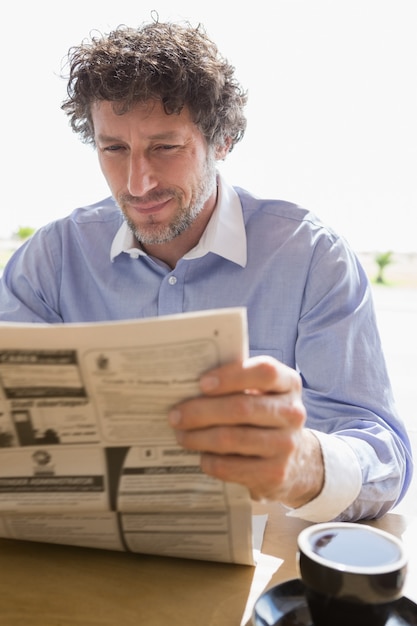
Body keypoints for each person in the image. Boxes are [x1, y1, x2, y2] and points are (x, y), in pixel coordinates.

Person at [0, 18, 412, 522]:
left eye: (165, 147)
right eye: (113, 149)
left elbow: (384, 456)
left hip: (256, 565)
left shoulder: (311, 256)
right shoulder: (51, 258)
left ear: (223, 141)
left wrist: (305, 464)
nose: (137, 182)